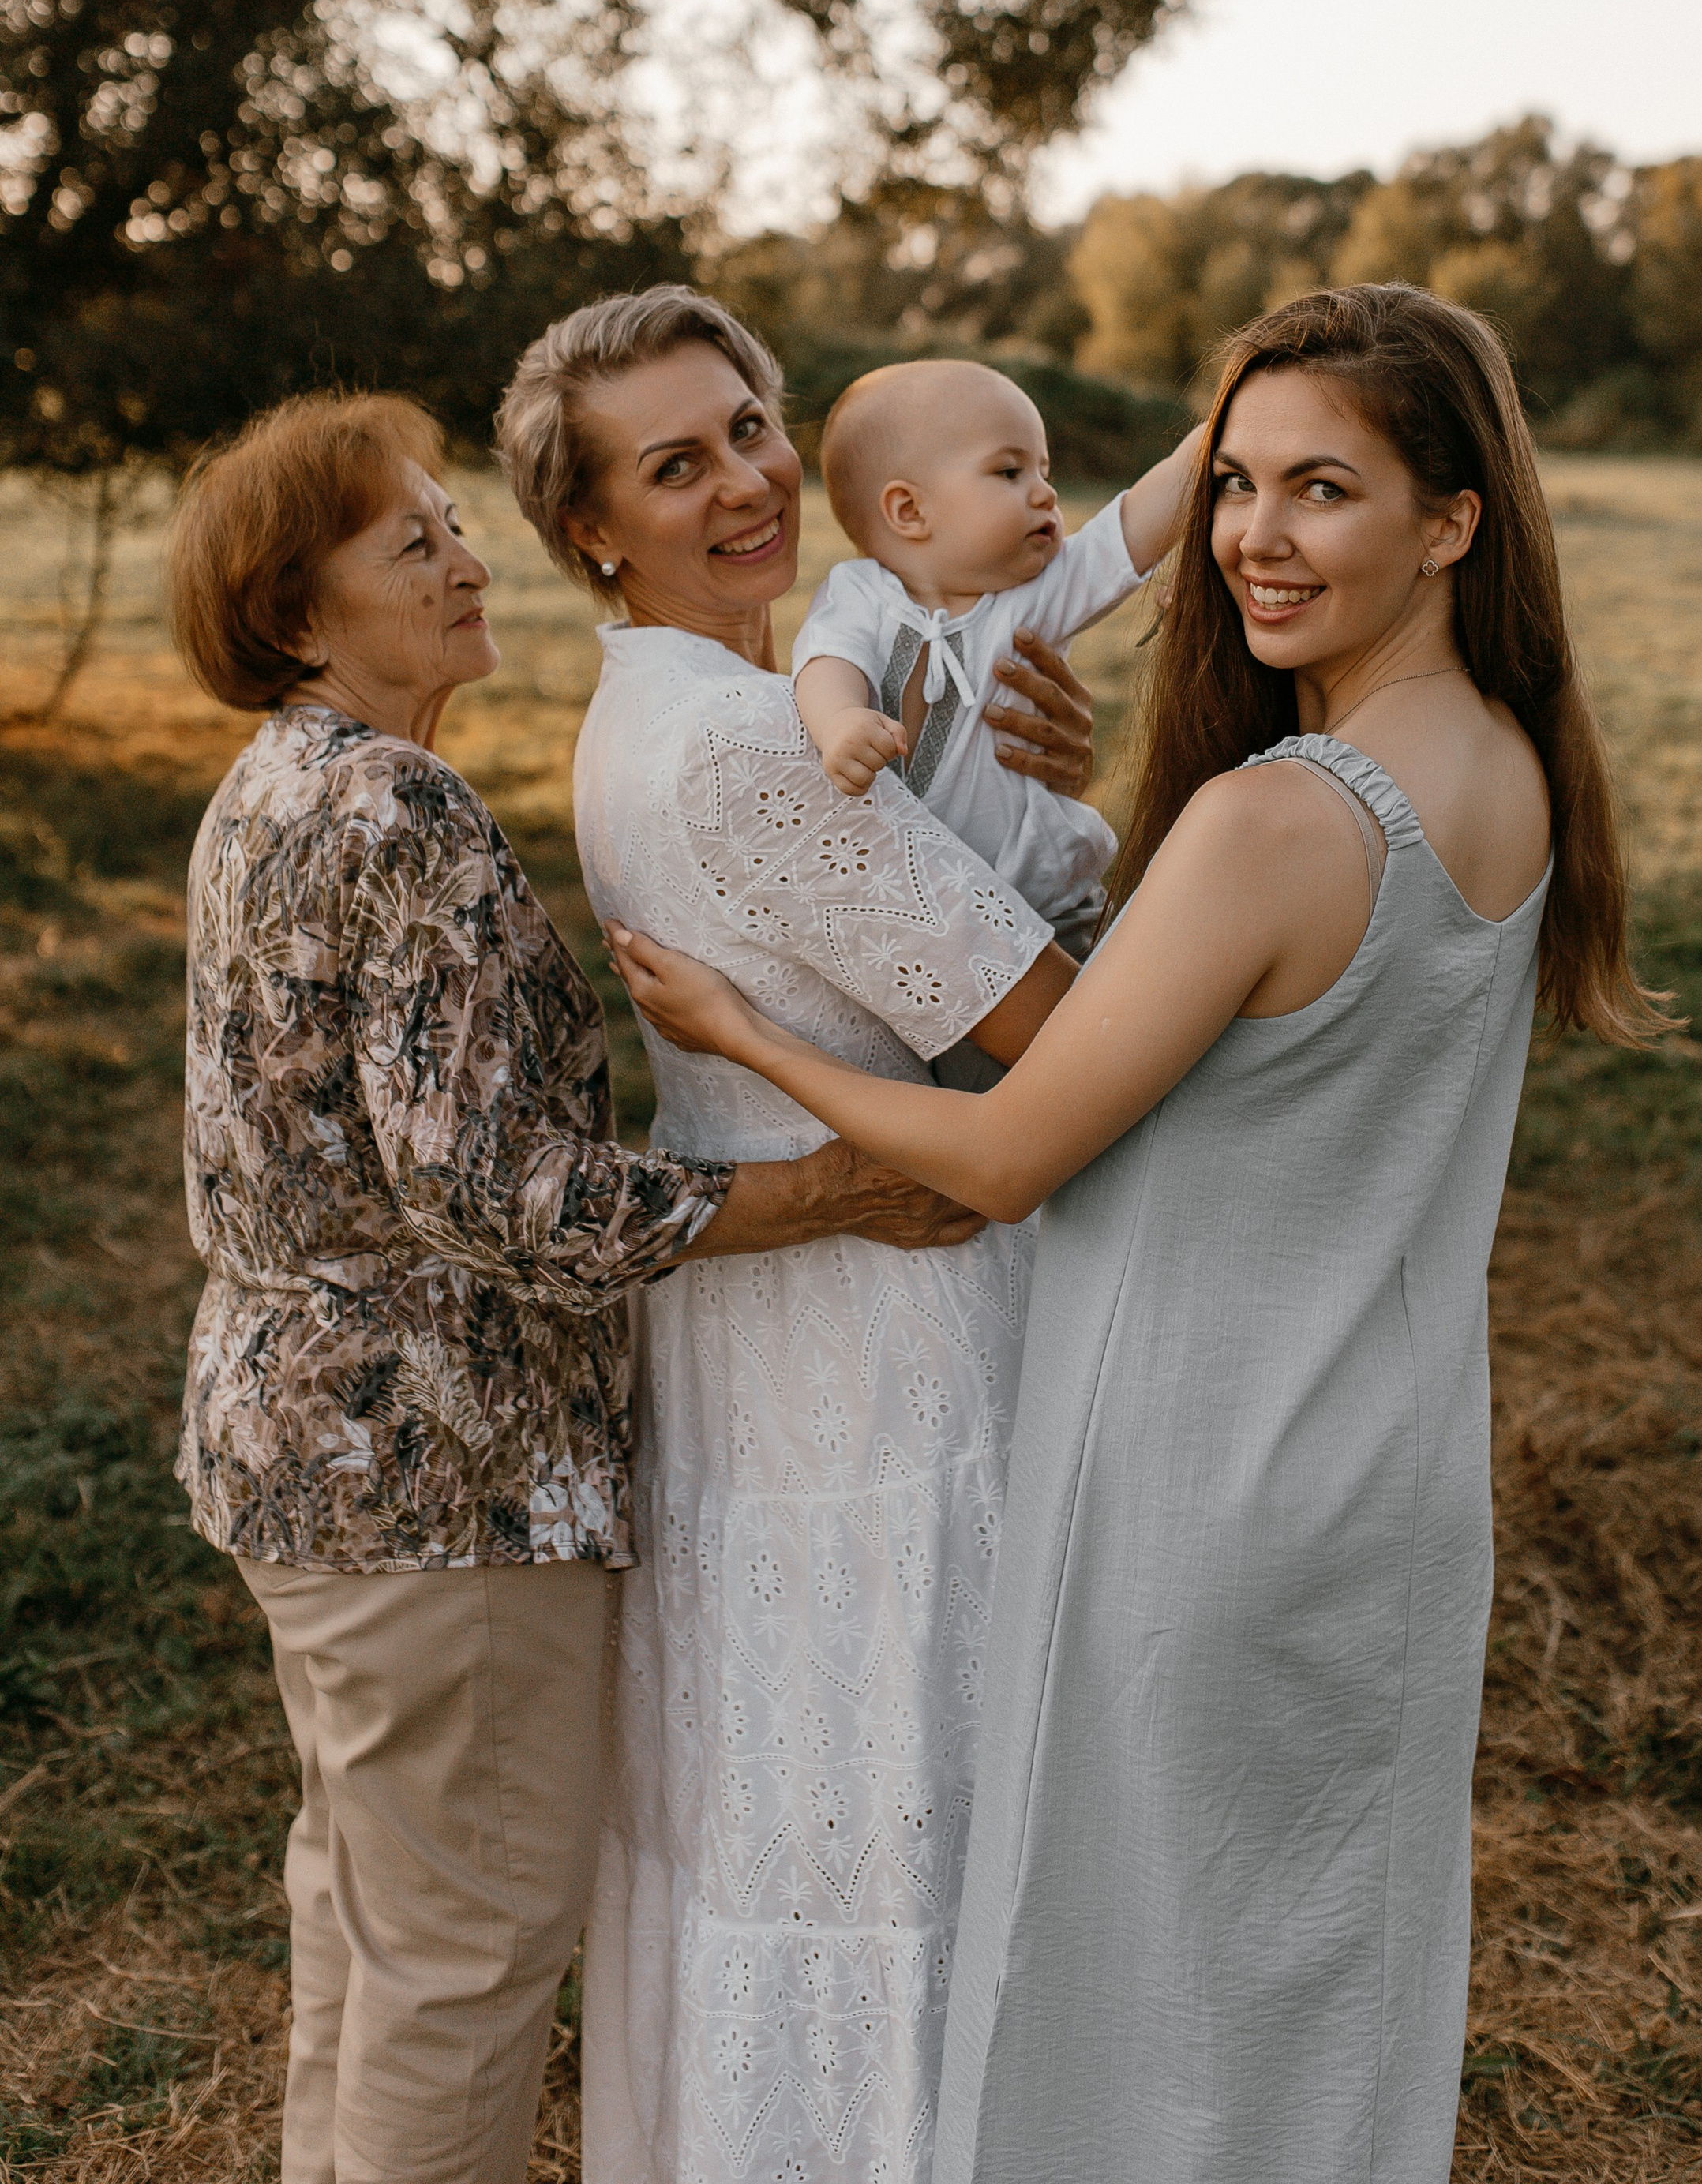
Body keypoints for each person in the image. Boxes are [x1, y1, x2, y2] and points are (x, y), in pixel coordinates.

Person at [605, 284, 1672, 2184]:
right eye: (1238, 480)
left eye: (1323, 487)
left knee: (1135, 2026)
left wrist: (743, 1034)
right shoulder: (1510, 767)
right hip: (1388, 1483)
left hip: (1201, 1486)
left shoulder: (1276, 816)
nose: (1253, 534)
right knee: (1317, 2010)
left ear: (1449, 517)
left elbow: (1013, 1145)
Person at [167, 390, 979, 2184]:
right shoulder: (396, 805)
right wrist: (820, 1186)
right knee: (460, 1958)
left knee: (370, 1926)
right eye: (412, 543)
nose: (466, 561)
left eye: (455, 521)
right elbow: (487, 1187)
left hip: (305, 1453)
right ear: (302, 614)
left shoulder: (288, 780)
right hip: (429, 1478)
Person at [491, 289, 1108, 2184]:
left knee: (782, 1822)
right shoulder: (748, 744)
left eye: (749, 423)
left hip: (765, 1339)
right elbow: (1056, 1034)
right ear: (593, 527)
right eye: (676, 464)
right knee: (889, 1817)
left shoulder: (668, 711)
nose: (753, 477)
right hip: (879, 1335)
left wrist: (1035, 795)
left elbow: (938, 916)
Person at [791, 359, 1199, 953]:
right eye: (1010, 471)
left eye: (1044, 469)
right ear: (909, 511)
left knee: (1070, 1041)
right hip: (913, 914)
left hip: (1043, 911)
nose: (1046, 492)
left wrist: (1229, 424)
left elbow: (1137, 520)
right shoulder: (860, 594)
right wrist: (840, 721)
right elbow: (828, 661)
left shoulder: (1035, 595)